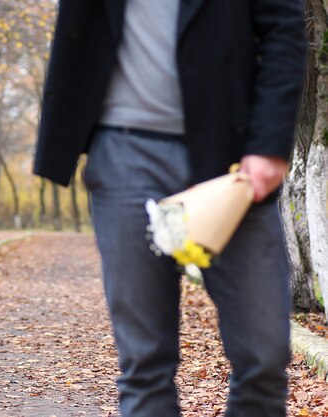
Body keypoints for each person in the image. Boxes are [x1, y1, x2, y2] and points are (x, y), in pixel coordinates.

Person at [34, 1, 306, 416]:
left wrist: (269, 144)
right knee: (145, 364)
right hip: (124, 151)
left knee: (265, 356)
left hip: (231, 155)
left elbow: (284, 29)